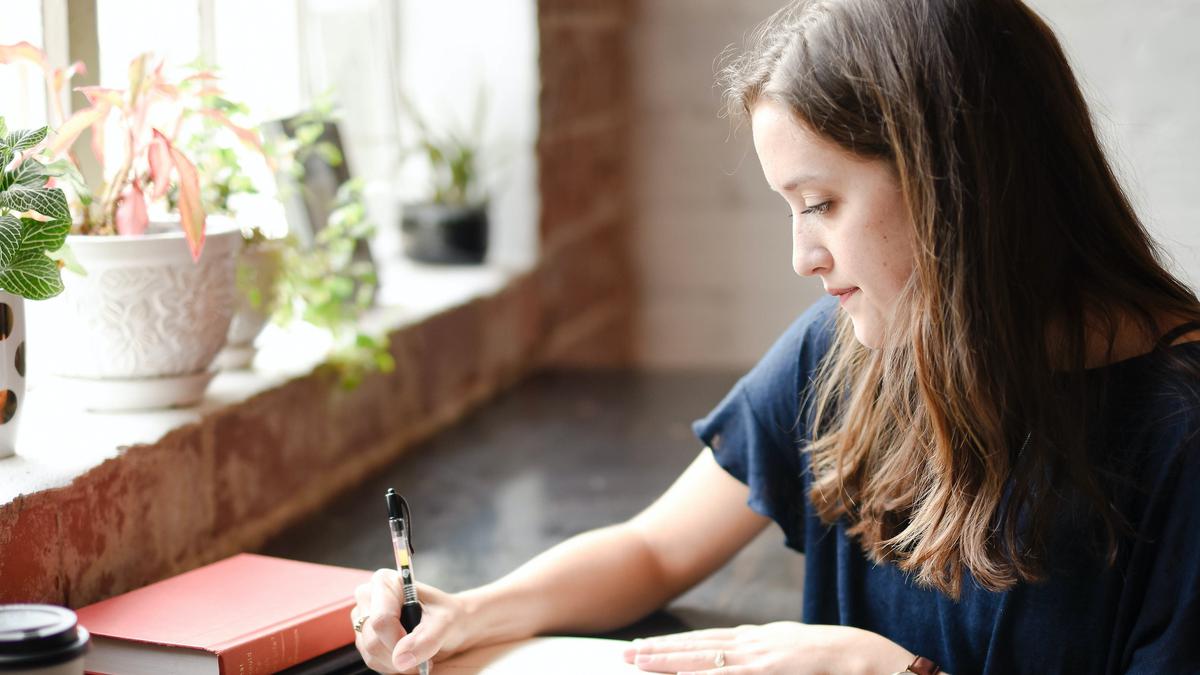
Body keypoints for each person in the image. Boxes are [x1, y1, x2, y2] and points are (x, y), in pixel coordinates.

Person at [353, 0, 1200, 672]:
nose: (803, 257)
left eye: (822, 203)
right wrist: (472, 610)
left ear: (958, 182)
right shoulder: (845, 351)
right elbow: (654, 547)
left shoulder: (1180, 436)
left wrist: (890, 672)